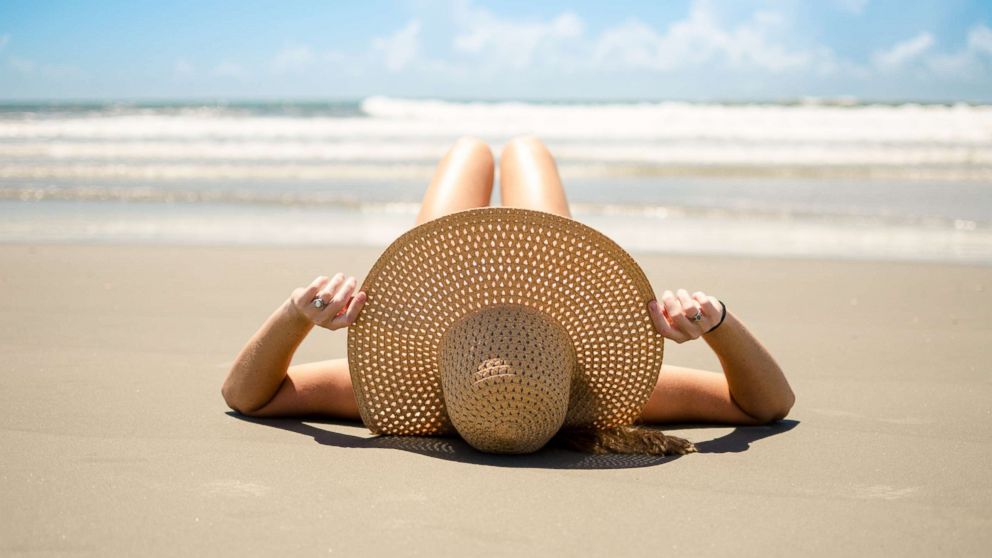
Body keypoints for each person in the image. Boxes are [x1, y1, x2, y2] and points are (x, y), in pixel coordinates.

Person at [221, 136, 795, 454]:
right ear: (566, 388)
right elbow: (766, 406)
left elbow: (247, 396)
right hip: (549, 292)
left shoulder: (415, 389)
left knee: (469, 151)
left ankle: (483, 149)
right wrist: (717, 322)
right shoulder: (590, 393)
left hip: (438, 296)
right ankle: (515, 149)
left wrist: (296, 314)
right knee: (526, 151)